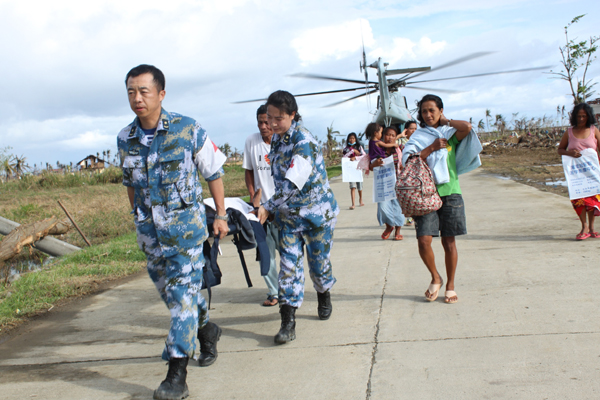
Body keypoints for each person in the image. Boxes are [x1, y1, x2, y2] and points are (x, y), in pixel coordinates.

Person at [117, 64, 228, 400]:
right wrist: (137, 218)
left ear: (161, 94)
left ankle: (176, 375)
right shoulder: (126, 138)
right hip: (151, 236)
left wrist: (221, 214)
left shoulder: (187, 129)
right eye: (131, 92)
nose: (137, 98)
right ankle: (207, 329)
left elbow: (214, 172)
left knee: (181, 299)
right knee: (178, 298)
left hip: (185, 235)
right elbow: (130, 184)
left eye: (144, 91)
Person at [256, 90, 339, 345]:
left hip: (316, 217)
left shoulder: (304, 141)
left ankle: (323, 293)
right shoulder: (278, 139)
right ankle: (288, 322)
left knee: (318, 265)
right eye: (269, 118)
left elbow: (292, 183)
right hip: (289, 218)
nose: (271, 124)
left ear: (292, 115)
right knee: (288, 269)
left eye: (277, 118)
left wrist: (267, 206)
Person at [402, 94, 482, 304]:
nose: (427, 115)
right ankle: (435, 276)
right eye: (424, 111)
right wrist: (431, 148)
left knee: (449, 242)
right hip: (425, 194)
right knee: (423, 240)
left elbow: (467, 127)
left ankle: (451, 285)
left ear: (440, 110)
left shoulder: (449, 134)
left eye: (432, 110)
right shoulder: (418, 137)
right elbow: (409, 159)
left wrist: (445, 122)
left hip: (450, 192)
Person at [243, 104, 280, 306]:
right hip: (261, 210)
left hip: (283, 208)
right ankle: (274, 292)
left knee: (288, 250)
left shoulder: (283, 141)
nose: (263, 126)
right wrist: (252, 196)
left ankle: (290, 288)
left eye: (267, 122)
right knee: (266, 251)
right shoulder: (251, 141)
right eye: (260, 122)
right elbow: (249, 170)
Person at [557, 102, 600, 240]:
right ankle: (584, 227)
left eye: (584, 116)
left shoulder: (594, 130)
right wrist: (570, 153)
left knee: (593, 200)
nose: (581, 119)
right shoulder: (569, 132)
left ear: (589, 117)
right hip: (576, 174)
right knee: (579, 200)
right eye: (579, 116)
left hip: (592, 172)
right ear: (574, 117)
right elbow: (560, 150)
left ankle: (592, 228)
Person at [371, 126, 406, 240]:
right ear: (383, 136)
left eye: (393, 135)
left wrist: (403, 165)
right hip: (383, 184)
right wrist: (375, 164)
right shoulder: (377, 148)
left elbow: (408, 158)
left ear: (396, 137)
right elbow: (370, 166)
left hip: (398, 183)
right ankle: (389, 226)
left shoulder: (399, 148)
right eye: (388, 135)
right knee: (383, 208)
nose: (390, 137)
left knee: (398, 207)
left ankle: (398, 230)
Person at [342, 132, 366, 209]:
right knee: (352, 187)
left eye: (353, 138)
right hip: (350, 170)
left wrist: (356, 157)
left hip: (358, 169)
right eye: (350, 138)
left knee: (359, 186)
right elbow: (344, 158)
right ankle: (353, 204)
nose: (351, 140)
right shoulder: (346, 149)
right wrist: (351, 153)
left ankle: (360, 199)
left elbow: (364, 156)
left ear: (355, 139)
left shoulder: (359, 147)